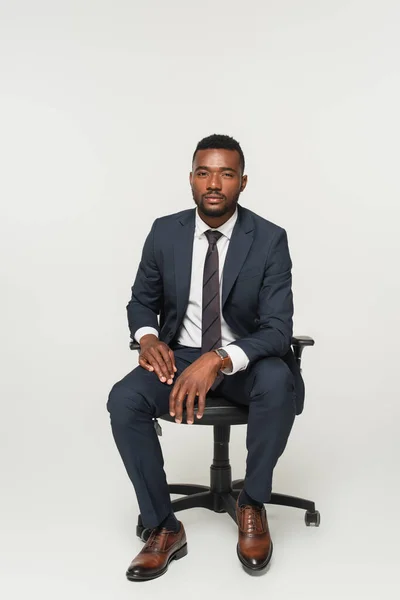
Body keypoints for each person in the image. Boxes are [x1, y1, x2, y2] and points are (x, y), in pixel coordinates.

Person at [107, 134, 305, 581]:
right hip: (177, 358)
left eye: (226, 174)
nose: (214, 183)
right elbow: (141, 301)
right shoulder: (165, 231)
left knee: (277, 380)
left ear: (243, 182)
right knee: (124, 399)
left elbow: (278, 329)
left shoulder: (270, 239)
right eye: (204, 172)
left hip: (243, 362)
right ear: (192, 179)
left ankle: (251, 502)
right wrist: (147, 337)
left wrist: (217, 358)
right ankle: (162, 525)